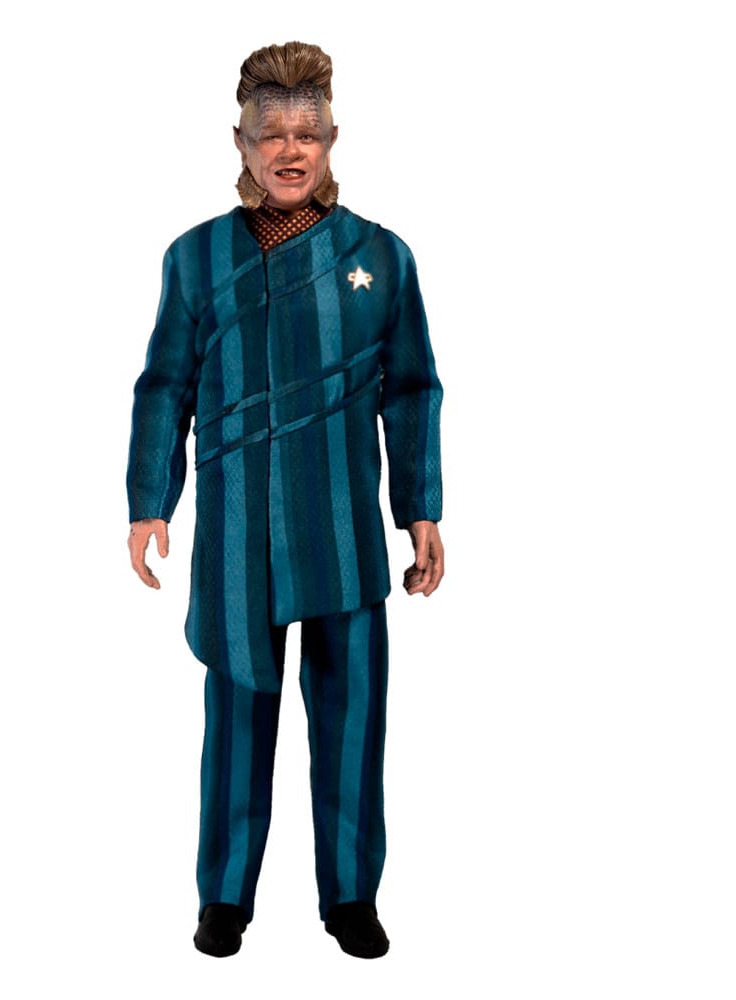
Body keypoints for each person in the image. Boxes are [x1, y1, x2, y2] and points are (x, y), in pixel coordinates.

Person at [127, 41, 444, 959]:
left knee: (352, 718)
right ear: (241, 141)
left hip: (343, 532)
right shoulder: (195, 259)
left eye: (308, 132)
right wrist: (151, 500)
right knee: (235, 717)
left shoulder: (380, 257)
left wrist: (420, 509)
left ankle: (350, 897)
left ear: (333, 138)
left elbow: (412, 389)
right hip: (236, 537)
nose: (290, 149)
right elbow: (165, 386)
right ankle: (224, 897)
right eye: (272, 133)